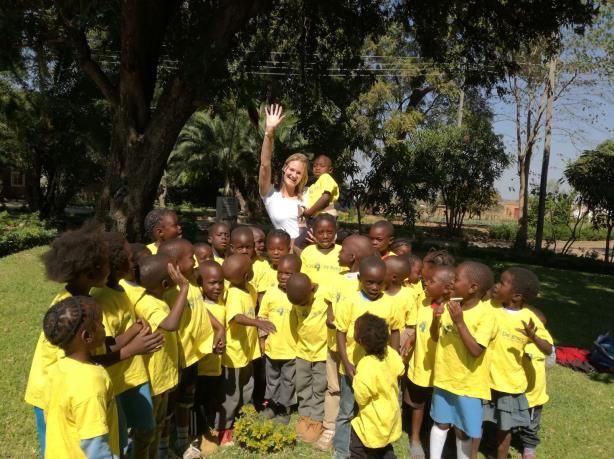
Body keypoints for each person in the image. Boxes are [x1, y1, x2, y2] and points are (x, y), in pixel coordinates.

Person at [25, 226, 111, 456]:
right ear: (89, 274)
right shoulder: (75, 310)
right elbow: (85, 355)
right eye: (105, 264)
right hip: (50, 392)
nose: (110, 268)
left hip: (61, 387)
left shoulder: (78, 302)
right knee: (59, 443)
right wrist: (131, 348)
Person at [91, 232, 157, 456]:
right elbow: (107, 345)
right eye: (130, 258)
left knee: (147, 428)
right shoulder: (102, 298)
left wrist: (138, 326)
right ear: (117, 266)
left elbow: (127, 326)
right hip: (115, 379)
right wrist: (135, 336)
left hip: (135, 375)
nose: (134, 262)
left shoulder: (122, 291)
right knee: (118, 438)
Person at [158, 239, 224, 456]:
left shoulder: (193, 282)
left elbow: (201, 309)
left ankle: (183, 441)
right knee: (168, 409)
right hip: (176, 360)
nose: (195, 260)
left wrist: (217, 328)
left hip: (193, 357)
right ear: (174, 264)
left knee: (186, 402)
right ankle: (164, 447)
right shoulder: (168, 292)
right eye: (190, 257)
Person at [334, 255, 402, 459]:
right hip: (352, 368)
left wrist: (393, 358)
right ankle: (342, 450)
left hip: (379, 369)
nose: (374, 287)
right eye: (369, 282)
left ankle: (379, 446)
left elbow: (396, 331)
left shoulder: (390, 304)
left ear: (386, 281)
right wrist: (346, 362)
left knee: (376, 409)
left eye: (379, 283)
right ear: (359, 280)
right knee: (346, 411)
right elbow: (340, 332)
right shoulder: (349, 302)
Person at [429, 261, 497, 459]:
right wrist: (436, 319)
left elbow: (476, 350)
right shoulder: (451, 305)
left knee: (463, 430)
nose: (452, 283)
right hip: (444, 378)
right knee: (440, 423)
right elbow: (435, 337)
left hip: (468, 385)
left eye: (457, 279)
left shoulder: (487, 314)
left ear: (473, 287)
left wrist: (459, 322)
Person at [483, 268, 553, 459]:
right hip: (484, 378)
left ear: (516, 296)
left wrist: (534, 337)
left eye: (502, 283)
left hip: (509, 383)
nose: (497, 285)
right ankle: (486, 445)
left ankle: (501, 455)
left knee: (505, 427)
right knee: (485, 419)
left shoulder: (528, 318)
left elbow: (548, 349)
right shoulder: (491, 306)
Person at [315, 234, 374, 452]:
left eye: (341, 251)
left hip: (357, 351)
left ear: (352, 256)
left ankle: (357, 428)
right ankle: (330, 427)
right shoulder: (338, 279)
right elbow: (330, 302)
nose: (337, 253)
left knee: (356, 390)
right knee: (333, 387)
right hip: (334, 347)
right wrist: (331, 318)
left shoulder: (367, 282)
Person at [43, 296, 120, 459]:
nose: (103, 325)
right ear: (87, 336)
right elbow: (94, 444)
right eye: (99, 323)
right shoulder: (91, 383)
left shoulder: (58, 368)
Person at [134, 254, 189, 459]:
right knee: (146, 431)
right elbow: (170, 325)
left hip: (163, 377)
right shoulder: (148, 304)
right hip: (153, 381)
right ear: (166, 283)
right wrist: (184, 288)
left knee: (158, 425)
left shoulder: (157, 298)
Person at [218, 254, 275, 445]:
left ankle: (242, 421)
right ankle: (225, 429)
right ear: (245, 275)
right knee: (232, 395)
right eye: (251, 268)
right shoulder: (234, 293)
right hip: (234, 355)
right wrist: (257, 322)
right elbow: (237, 317)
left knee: (247, 388)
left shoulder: (249, 288)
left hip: (247, 353)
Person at [401, 265, 455, 459]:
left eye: (431, 282)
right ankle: (415, 439)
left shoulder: (454, 309)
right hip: (420, 366)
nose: (425, 284)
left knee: (441, 406)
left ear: (448, 288)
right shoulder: (423, 301)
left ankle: (440, 440)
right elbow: (418, 326)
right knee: (417, 403)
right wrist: (411, 338)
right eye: (426, 280)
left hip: (442, 368)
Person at [350, 313, 405, 459]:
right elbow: (400, 371)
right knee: (385, 448)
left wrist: (355, 378)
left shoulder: (365, 366)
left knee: (358, 450)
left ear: (359, 340)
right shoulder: (391, 353)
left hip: (371, 422)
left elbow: (361, 398)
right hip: (390, 416)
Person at [286, 272, 330, 444]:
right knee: (303, 385)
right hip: (302, 352)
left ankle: (316, 419)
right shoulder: (297, 298)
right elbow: (295, 323)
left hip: (322, 353)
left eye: (305, 302)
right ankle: (304, 416)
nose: (303, 306)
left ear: (312, 289)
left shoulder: (325, 294)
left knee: (319, 387)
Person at [258, 254, 301, 424]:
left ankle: (285, 408)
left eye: (288, 273)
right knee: (272, 379)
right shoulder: (270, 293)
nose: (282, 277)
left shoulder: (298, 295)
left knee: (288, 381)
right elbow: (262, 317)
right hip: (272, 348)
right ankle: (272, 405)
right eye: (280, 272)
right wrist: (262, 341)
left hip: (291, 349)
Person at [258, 104, 309, 243]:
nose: (294, 175)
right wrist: (269, 132)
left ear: (303, 177)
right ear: (284, 168)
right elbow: (265, 165)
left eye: (299, 173)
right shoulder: (270, 195)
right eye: (291, 169)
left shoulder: (308, 195)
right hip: (285, 255)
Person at [195, 261, 227, 456]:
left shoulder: (222, 303)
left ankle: (210, 431)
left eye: (220, 283)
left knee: (212, 400)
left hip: (216, 365)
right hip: (200, 365)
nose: (217, 287)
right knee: (197, 401)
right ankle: (199, 435)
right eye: (212, 283)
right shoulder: (198, 305)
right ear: (201, 284)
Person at [514, 307, 554, 459]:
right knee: (508, 419)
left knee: (531, 424)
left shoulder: (542, 346)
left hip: (534, 394)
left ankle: (529, 447)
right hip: (515, 390)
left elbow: (549, 362)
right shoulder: (518, 343)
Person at [295, 154, 340, 249]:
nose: (317, 168)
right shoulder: (314, 185)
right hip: (316, 219)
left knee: (298, 244)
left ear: (330, 170)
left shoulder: (326, 178)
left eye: (322, 166)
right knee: (312, 245)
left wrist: (308, 212)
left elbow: (325, 198)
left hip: (325, 218)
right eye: (315, 166)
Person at [300, 213, 342, 285]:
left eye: (329, 232)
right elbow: (302, 277)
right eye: (320, 233)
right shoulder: (307, 252)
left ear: (335, 232)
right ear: (313, 233)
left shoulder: (342, 252)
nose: (325, 236)